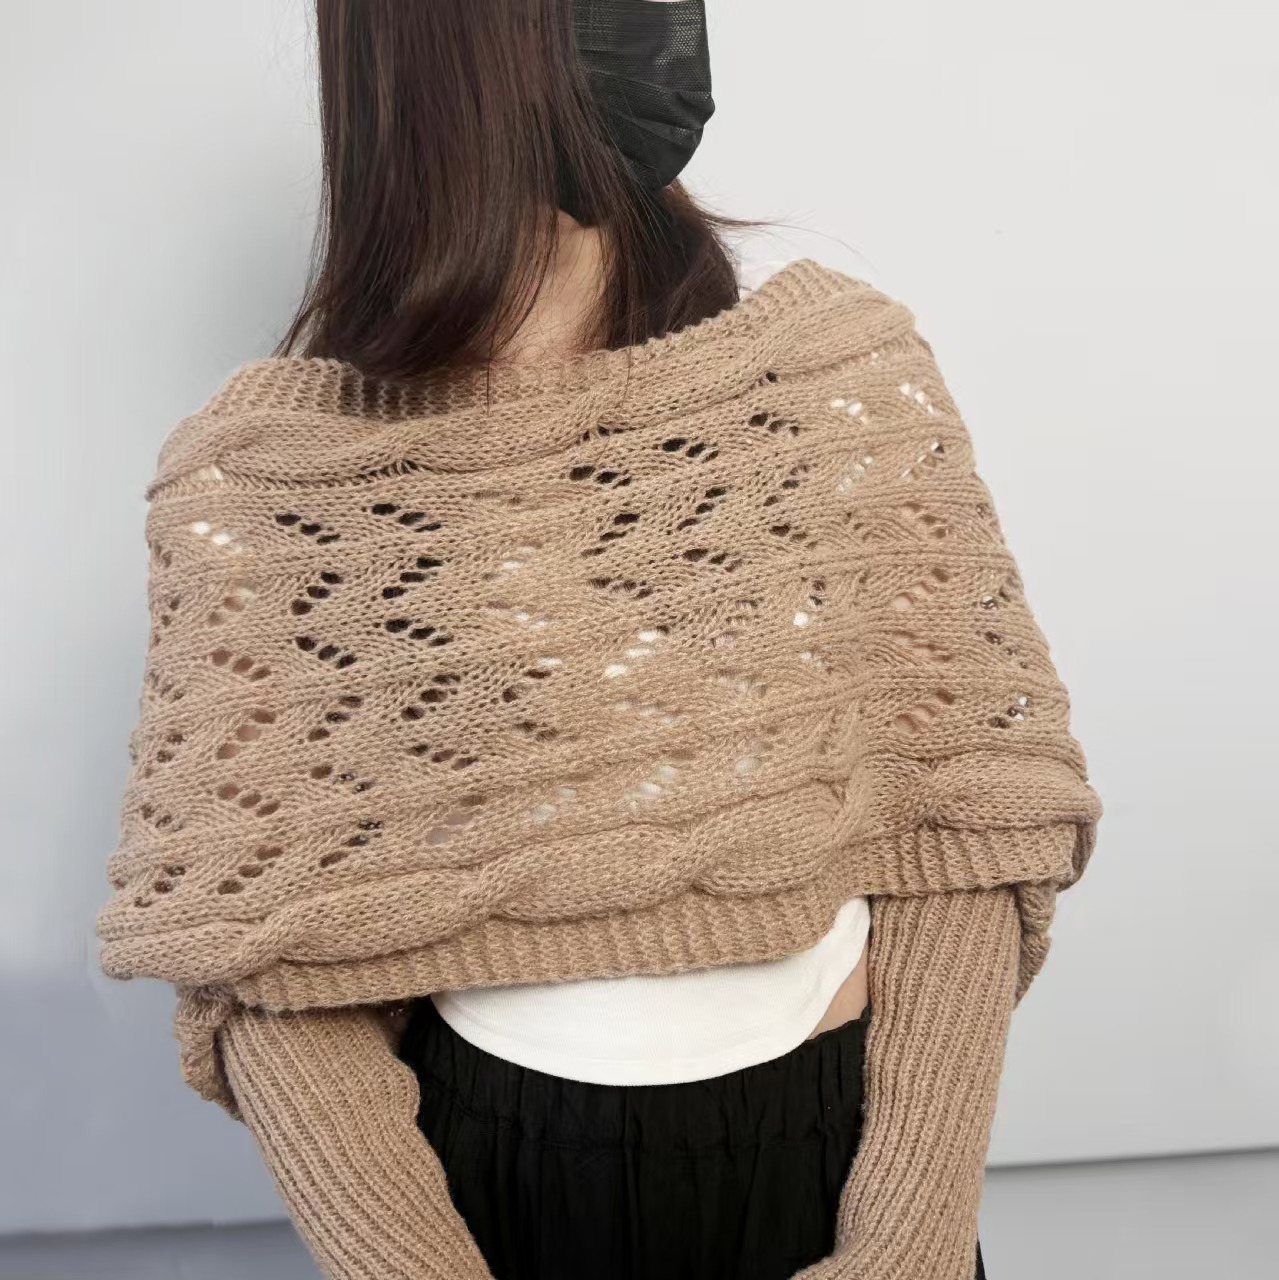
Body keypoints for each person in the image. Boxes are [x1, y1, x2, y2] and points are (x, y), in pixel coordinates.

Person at [96, 3, 1102, 1278]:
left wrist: (905, 1244)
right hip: (494, 1183)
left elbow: (963, 830)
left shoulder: (829, 380)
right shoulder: (274, 483)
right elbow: (270, 967)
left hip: (838, 1151)